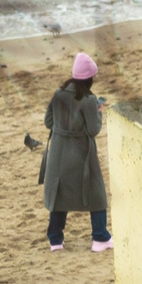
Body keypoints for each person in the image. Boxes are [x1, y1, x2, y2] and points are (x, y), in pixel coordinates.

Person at [41, 52, 113, 253]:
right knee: (96, 194)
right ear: (89, 78)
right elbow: (93, 130)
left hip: (58, 152)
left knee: (59, 195)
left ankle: (55, 240)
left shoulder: (58, 94)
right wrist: (98, 113)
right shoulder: (89, 100)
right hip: (80, 153)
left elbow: (48, 122)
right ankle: (99, 237)